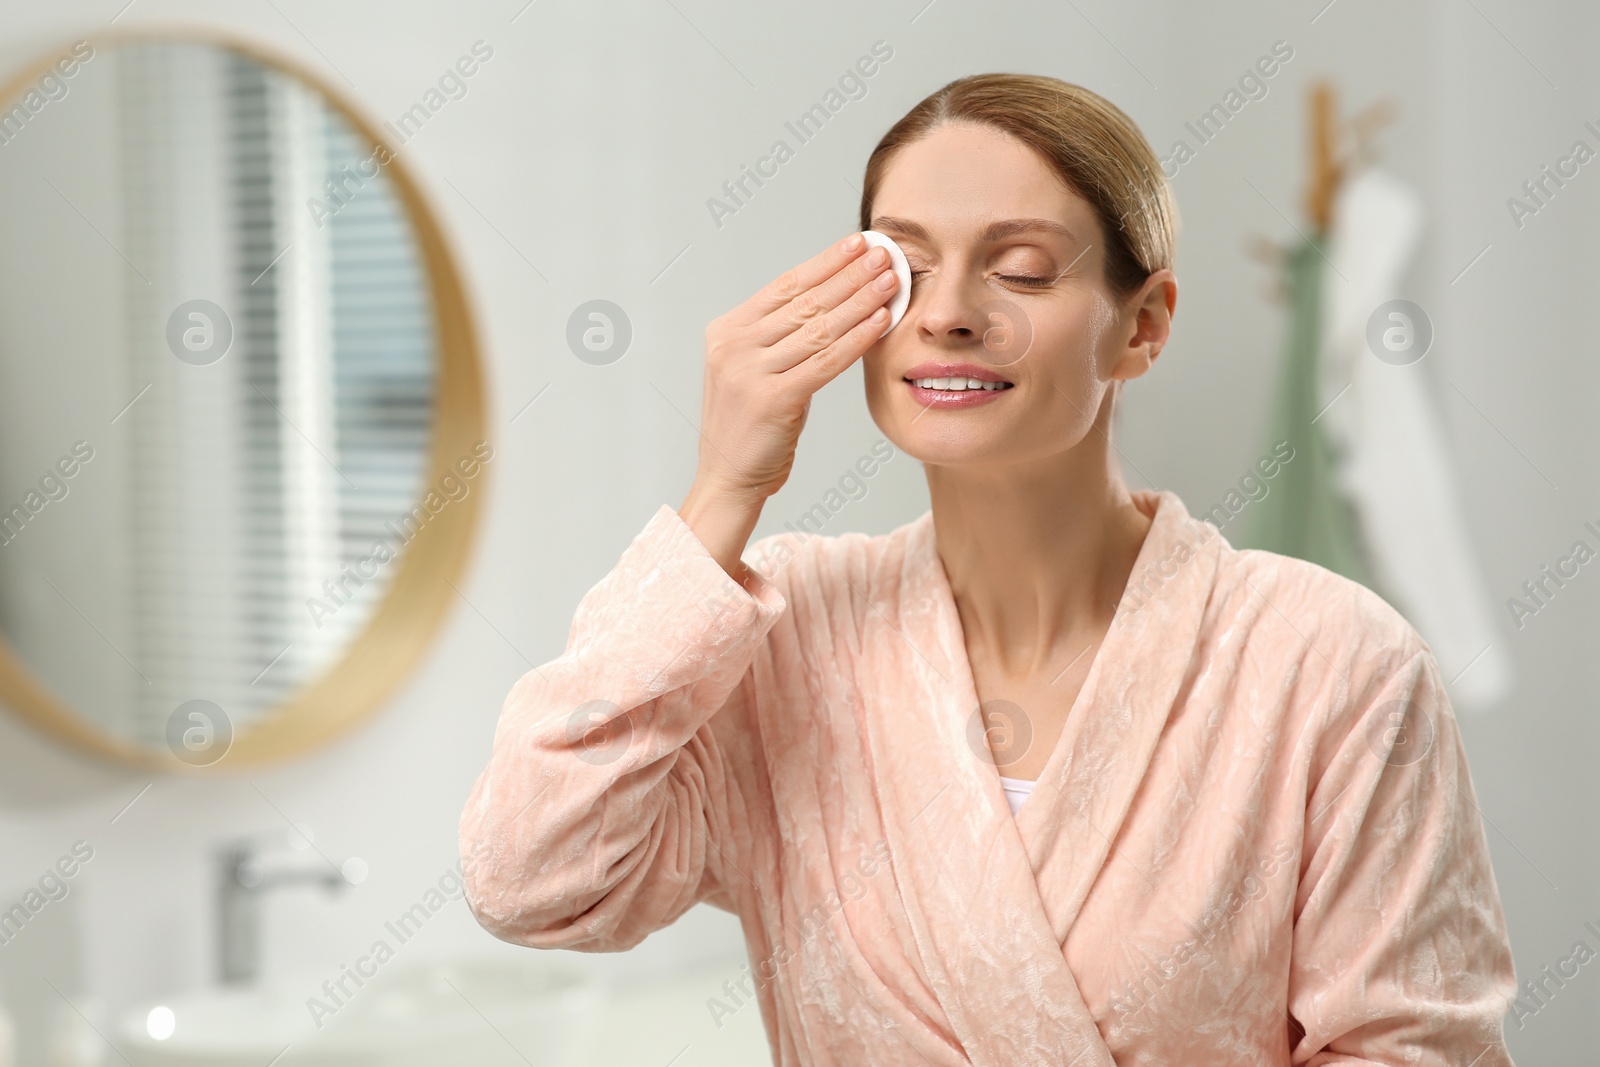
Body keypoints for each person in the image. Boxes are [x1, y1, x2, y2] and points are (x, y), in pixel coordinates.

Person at [459, 73, 1517, 1065]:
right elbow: (531, 877)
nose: (949, 310)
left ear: (1141, 326)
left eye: (1018, 268)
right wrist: (722, 490)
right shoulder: (782, 639)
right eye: (903, 267)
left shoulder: (1330, 663)